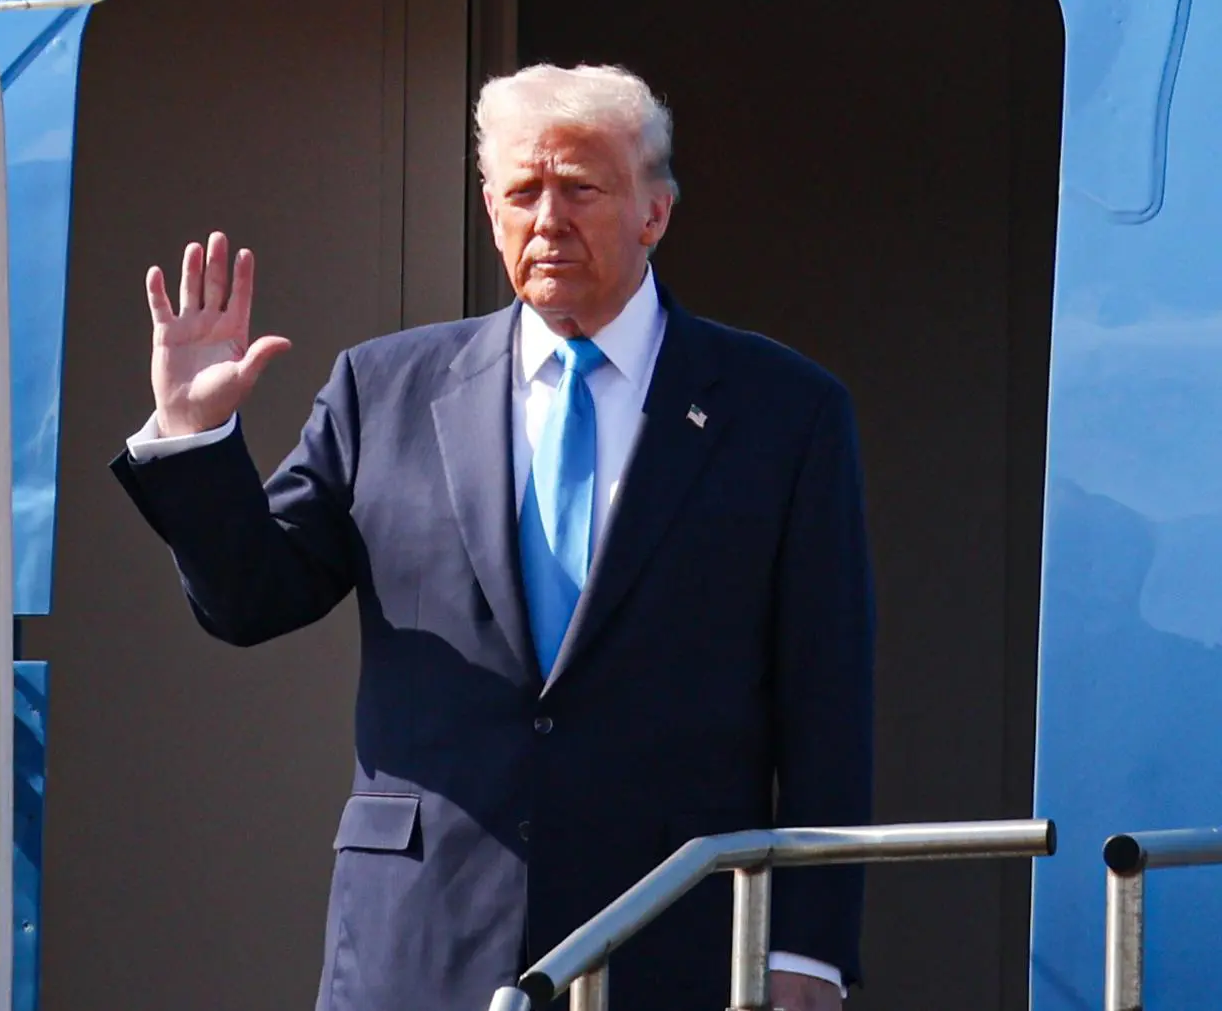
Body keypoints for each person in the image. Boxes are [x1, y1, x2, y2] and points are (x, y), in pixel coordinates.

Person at [109, 63, 875, 1011]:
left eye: (580, 188)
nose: (548, 218)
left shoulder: (783, 411)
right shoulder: (383, 388)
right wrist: (195, 436)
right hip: (421, 940)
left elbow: (826, 699)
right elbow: (249, 599)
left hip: (672, 936)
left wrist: (809, 947)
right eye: (522, 192)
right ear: (489, 209)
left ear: (655, 212)